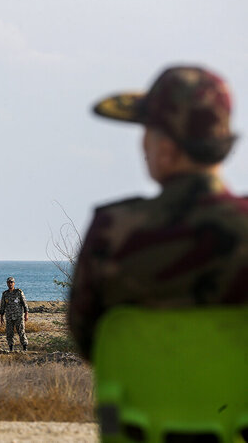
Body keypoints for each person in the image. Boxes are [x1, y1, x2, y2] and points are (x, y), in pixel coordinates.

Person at [69, 65, 248, 361]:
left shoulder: (111, 232)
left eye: (146, 133)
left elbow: (89, 341)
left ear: (166, 150)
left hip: (139, 409)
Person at [0, 276, 29, 352]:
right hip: (9, 316)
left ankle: (25, 347)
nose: (10, 284)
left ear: (14, 283)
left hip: (18, 316)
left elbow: (24, 303)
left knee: (21, 332)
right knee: (9, 333)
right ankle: (11, 348)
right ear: (7, 284)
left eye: (11, 282)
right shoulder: (5, 294)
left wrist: (26, 313)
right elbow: (3, 305)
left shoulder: (18, 292)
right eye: (8, 282)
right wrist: (1, 316)